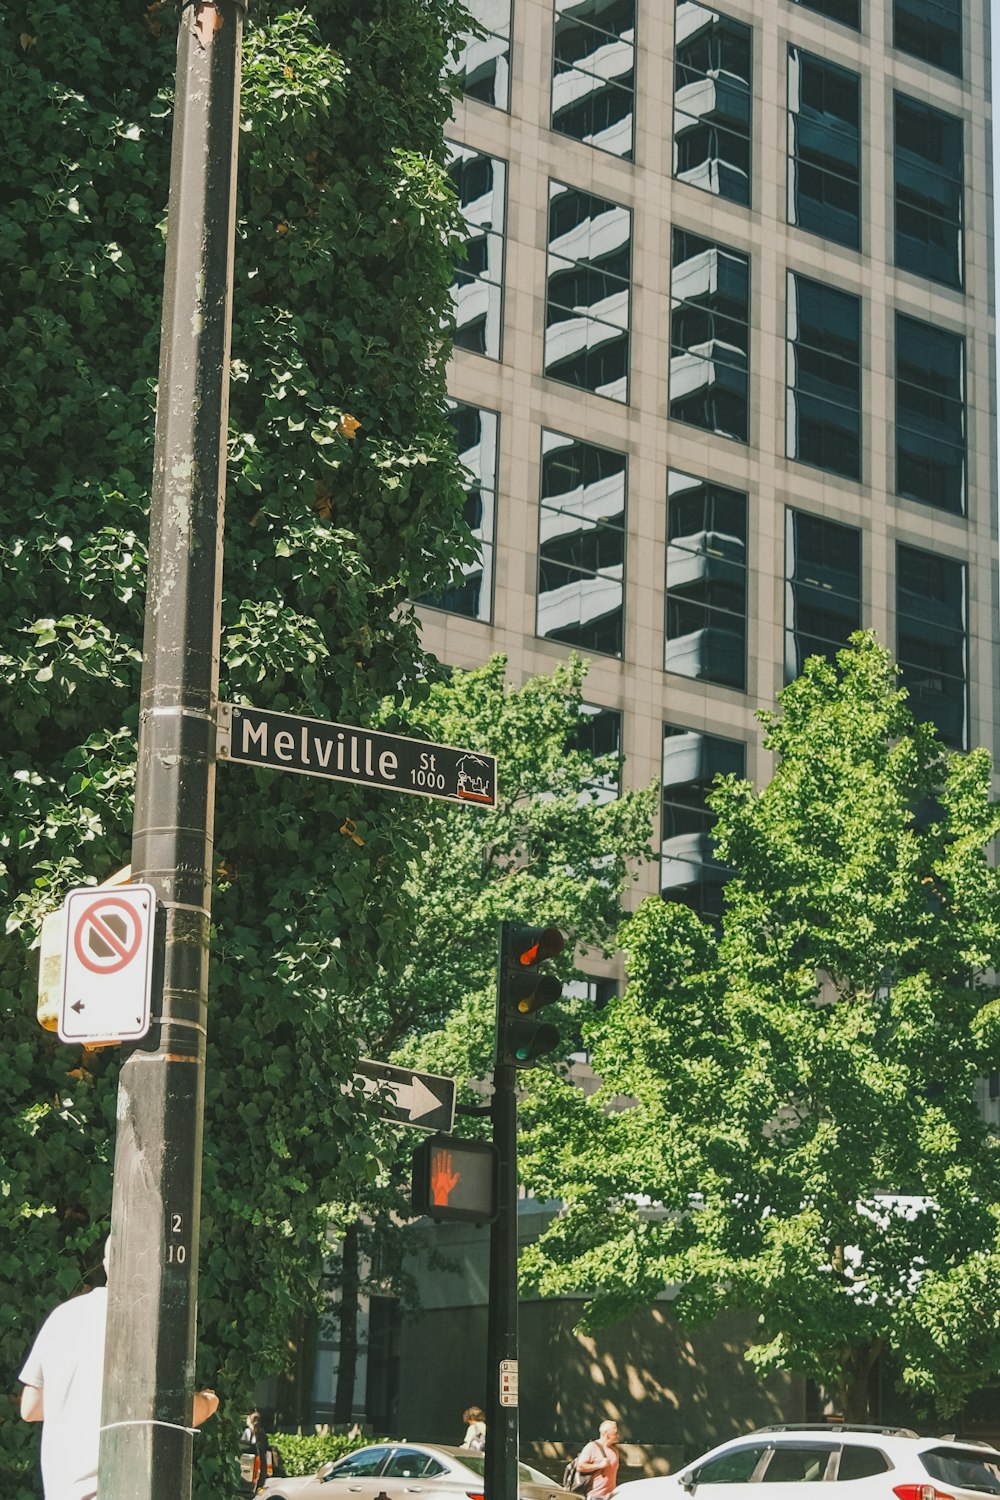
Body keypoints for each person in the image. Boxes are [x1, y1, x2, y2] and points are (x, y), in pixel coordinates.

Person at [19, 1238, 219, 1500]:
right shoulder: (148, 1324)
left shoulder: (62, 1316)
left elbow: (30, 1407)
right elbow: (174, 1412)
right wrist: (208, 1402)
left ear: (106, 1263)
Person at [575, 1420, 620, 1498]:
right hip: (594, 1496)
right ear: (606, 1433)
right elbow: (580, 1467)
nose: (618, 1435)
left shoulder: (615, 1451)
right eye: (615, 1432)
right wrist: (599, 1465)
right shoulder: (591, 1447)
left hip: (610, 1496)